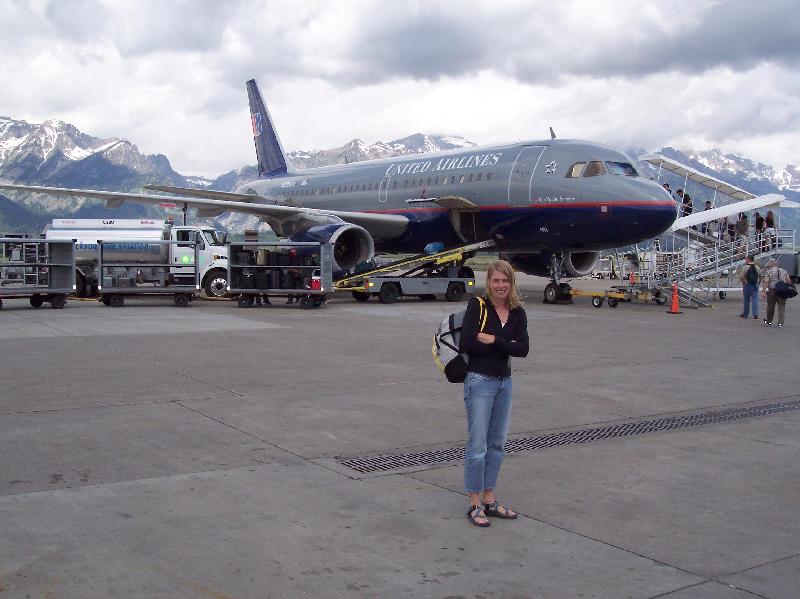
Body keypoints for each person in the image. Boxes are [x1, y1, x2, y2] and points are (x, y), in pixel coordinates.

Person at [460, 260, 529, 527]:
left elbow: (523, 349)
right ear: (488, 283)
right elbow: (468, 343)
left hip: (504, 384)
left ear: (512, 283)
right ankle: (474, 503)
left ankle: (490, 498)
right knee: (478, 445)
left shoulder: (517, 312)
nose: (501, 286)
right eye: (496, 281)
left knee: (497, 443)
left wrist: (492, 340)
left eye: (505, 281)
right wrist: (506, 346)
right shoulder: (477, 306)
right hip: (479, 382)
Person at [761, 258, 791, 327]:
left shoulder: (768, 272)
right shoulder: (784, 271)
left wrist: (764, 291)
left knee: (770, 307)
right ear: (777, 264)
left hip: (772, 291)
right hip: (782, 291)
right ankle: (780, 323)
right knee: (781, 307)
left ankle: (769, 321)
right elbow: (788, 281)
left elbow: (766, 282)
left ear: (771, 264)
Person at [737, 255, 760, 320]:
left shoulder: (745, 267)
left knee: (746, 300)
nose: (745, 260)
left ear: (748, 259)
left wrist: (743, 281)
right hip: (755, 284)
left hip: (747, 285)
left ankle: (745, 313)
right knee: (755, 300)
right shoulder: (757, 267)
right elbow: (760, 276)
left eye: (746, 259)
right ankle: (755, 314)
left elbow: (741, 276)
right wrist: (759, 282)